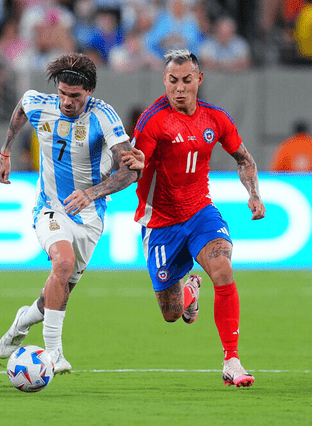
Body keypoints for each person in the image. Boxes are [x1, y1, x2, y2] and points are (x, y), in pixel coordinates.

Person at [122, 49, 265, 388]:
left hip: (200, 212)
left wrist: (254, 194)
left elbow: (244, 159)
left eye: (187, 80)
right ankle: (189, 292)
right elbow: (133, 167)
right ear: (164, 81)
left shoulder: (215, 118)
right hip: (160, 222)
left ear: (199, 80)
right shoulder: (152, 121)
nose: (180, 88)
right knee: (172, 314)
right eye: (173, 81)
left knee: (223, 269)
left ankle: (232, 360)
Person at [0, 52, 141, 374]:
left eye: (74, 96)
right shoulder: (38, 103)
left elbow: (130, 172)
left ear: (89, 92)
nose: (66, 102)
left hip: (89, 215)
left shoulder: (104, 116)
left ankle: (22, 321)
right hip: (49, 206)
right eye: (62, 93)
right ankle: (54, 354)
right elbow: (20, 109)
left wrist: (91, 193)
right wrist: (5, 153)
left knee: (55, 297)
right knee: (62, 262)